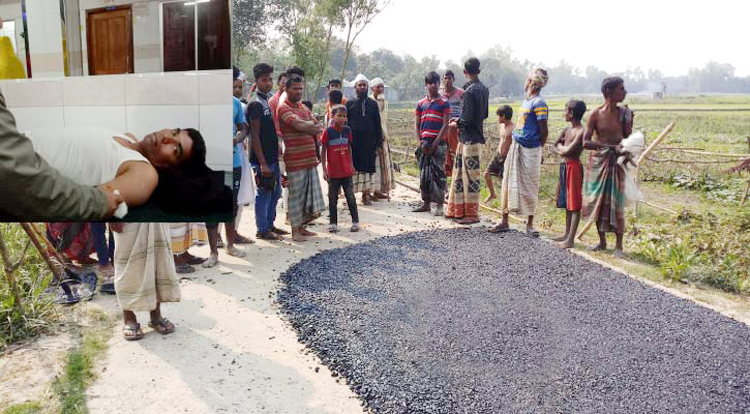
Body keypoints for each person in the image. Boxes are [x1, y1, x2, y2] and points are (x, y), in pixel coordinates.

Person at [0, 90, 123, 220]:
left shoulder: (141, 171)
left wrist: (99, 202)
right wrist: (98, 203)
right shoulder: (129, 139)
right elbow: (13, 172)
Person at [491, 68, 550, 236]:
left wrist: (539, 149)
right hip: (517, 146)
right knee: (508, 183)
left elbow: (543, 130)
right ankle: (504, 220)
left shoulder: (539, 103)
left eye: (527, 79)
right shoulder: (526, 102)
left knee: (531, 185)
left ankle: (530, 224)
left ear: (531, 82)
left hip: (531, 149)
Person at [582, 77, 634, 257]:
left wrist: (624, 150)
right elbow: (586, 142)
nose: (625, 92)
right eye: (621, 89)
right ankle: (602, 241)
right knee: (597, 202)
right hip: (598, 163)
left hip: (616, 164)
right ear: (609, 92)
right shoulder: (595, 114)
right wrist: (606, 147)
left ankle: (619, 245)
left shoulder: (624, 114)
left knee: (616, 203)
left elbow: (628, 140)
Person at [277, 75, 326, 242]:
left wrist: (309, 126)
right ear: (286, 89)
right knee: (296, 196)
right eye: (295, 88)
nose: (298, 91)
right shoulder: (283, 108)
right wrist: (309, 126)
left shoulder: (303, 107)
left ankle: (303, 227)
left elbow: (317, 127)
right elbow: (301, 125)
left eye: (300, 89)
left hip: (309, 158)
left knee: (307, 195)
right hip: (295, 160)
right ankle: (294, 230)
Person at [445, 58, 489, 225]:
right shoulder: (484, 89)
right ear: (479, 70)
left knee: (469, 177)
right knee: (466, 175)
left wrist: (457, 122)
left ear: (465, 72)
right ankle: (460, 211)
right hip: (476, 136)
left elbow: (468, 119)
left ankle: (471, 214)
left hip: (468, 138)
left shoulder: (468, 92)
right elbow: (483, 115)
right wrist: (462, 119)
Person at [247, 63, 286, 241]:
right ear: (257, 81)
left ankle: (270, 224)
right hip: (261, 157)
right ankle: (262, 229)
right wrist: (262, 163)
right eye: (264, 80)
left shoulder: (270, 99)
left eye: (270, 79)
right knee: (264, 192)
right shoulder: (255, 104)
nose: (269, 83)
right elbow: (254, 136)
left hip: (272, 154)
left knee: (276, 192)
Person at [413, 71, 451, 216]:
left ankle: (440, 204)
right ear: (426, 85)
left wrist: (435, 143)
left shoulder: (444, 103)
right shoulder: (420, 104)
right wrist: (420, 143)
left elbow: (445, 125)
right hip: (424, 143)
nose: (434, 85)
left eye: (436, 82)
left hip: (438, 143)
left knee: (439, 174)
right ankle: (426, 203)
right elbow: (416, 125)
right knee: (424, 174)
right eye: (431, 83)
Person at [551, 100, 586, 248]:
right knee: (566, 201)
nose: (564, 113)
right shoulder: (567, 130)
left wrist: (561, 148)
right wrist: (561, 149)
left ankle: (571, 239)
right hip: (565, 166)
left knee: (574, 203)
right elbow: (554, 146)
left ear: (571, 113)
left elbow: (569, 150)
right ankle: (566, 234)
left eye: (565, 110)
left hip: (574, 167)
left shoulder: (581, 131)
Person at [321, 105, 360, 233]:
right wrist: (324, 169)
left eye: (344, 116)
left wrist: (351, 164)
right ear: (332, 117)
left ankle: (355, 222)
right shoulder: (328, 132)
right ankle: (333, 224)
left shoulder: (347, 130)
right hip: (333, 171)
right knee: (333, 198)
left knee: (350, 196)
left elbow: (349, 147)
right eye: (339, 116)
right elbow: (323, 151)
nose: (342, 118)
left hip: (346, 170)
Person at [346, 74, 383, 206]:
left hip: (369, 143)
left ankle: (366, 195)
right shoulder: (349, 104)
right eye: (359, 85)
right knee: (352, 169)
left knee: (368, 169)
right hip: (354, 143)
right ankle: (350, 196)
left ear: (367, 87)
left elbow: (377, 124)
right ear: (355, 87)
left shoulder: (373, 104)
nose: (362, 87)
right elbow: (345, 124)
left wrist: (378, 143)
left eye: (364, 85)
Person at [370, 77, 395, 200]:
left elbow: (383, 119)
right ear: (372, 88)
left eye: (382, 87)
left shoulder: (384, 101)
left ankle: (378, 190)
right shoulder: (369, 101)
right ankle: (369, 191)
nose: (380, 89)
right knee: (373, 164)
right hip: (372, 137)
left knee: (382, 164)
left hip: (383, 135)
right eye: (378, 87)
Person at [484, 105, 514, 203]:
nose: (498, 118)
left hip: (507, 157)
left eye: (499, 116)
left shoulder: (513, 129)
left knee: (506, 181)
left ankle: (508, 201)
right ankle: (492, 194)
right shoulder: (501, 126)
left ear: (504, 116)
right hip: (498, 155)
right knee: (486, 174)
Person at [441, 70, 463, 176]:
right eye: (445, 78)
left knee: (456, 151)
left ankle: (458, 162)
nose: (447, 80)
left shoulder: (460, 93)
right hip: (444, 125)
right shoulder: (440, 95)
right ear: (442, 80)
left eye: (449, 78)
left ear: (453, 80)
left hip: (457, 125)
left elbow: (465, 110)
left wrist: (458, 120)